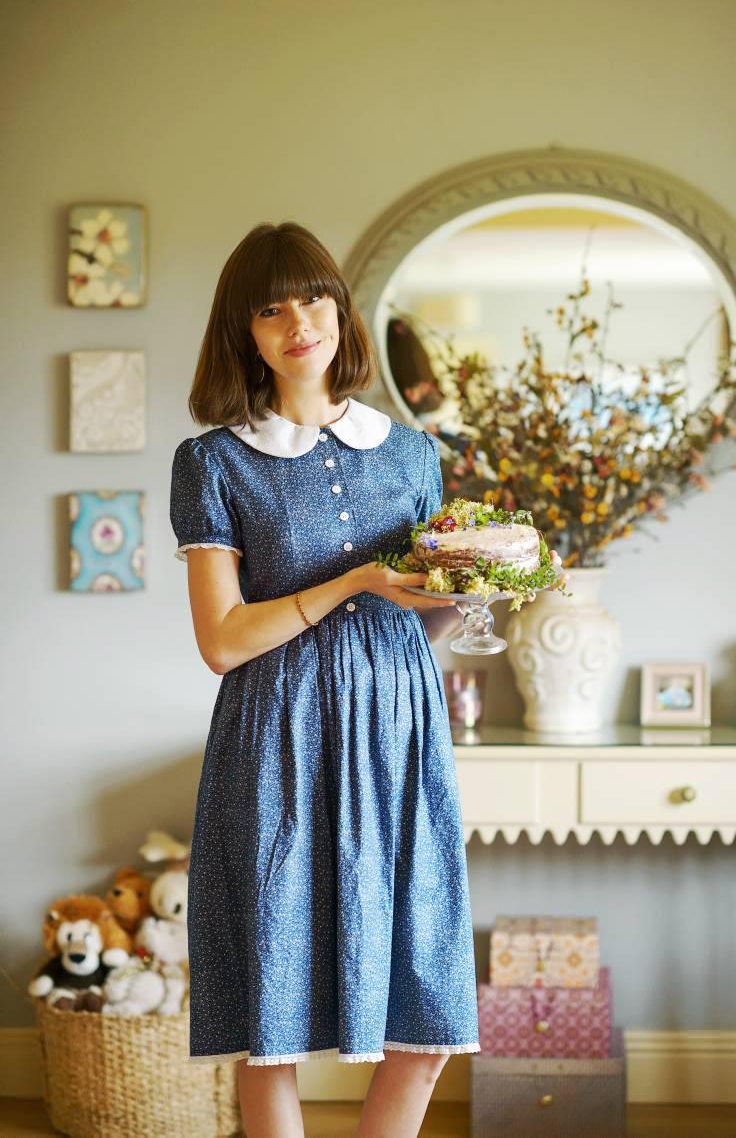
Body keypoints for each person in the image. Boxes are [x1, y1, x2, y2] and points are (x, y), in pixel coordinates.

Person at [169, 222, 481, 1138]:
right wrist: (352, 580)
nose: (297, 322)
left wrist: (473, 590)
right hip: (278, 735)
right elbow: (222, 641)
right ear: (245, 333)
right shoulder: (214, 462)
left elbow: (423, 612)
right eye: (269, 309)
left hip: (400, 731)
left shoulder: (413, 454)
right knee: (274, 1025)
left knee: (425, 1008)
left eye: (311, 298)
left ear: (340, 309)